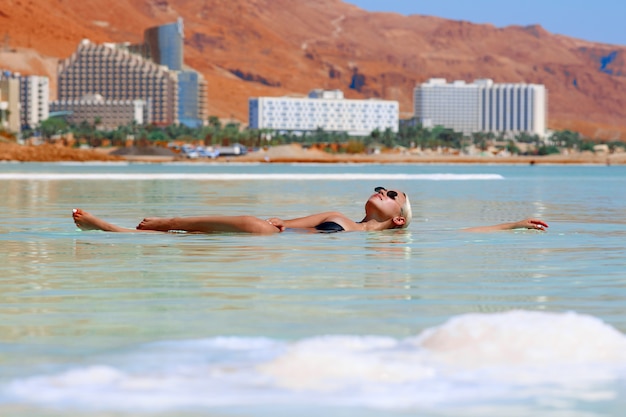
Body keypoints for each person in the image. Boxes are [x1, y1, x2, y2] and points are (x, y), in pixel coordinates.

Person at [71, 186, 548, 234]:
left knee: (250, 228)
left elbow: (463, 234)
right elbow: (285, 222)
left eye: (394, 194)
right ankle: (163, 223)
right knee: (258, 225)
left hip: (270, 247)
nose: (383, 191)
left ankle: (123, 229)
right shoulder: (337, 214)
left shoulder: (389, 249)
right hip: (272, 238)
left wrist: (514, 222)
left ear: (399, 219)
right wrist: (275, 224)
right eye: (382, 187)